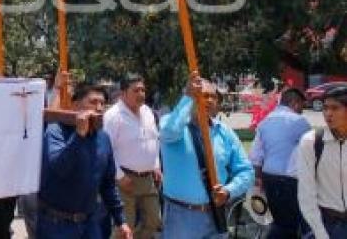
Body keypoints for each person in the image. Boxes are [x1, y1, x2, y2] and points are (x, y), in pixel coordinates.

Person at [160, 73, 253, 238]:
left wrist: (228, 191)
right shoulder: (170, 124)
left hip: (215, 215)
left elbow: (246, 171)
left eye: (212, 96)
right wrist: (188, 96)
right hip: (181, 216)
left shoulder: (224, 132)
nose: (209, 100)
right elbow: (170, 132)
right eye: (202, 95)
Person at [37, 81, 132, 239]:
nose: (99, 108)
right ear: (75, 106)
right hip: (56, 224)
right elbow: (60, 167)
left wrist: (120, 220)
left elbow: (108, 184)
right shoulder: (56, 132)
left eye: (102, 103)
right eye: (93, 102)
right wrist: (79, 136)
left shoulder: (103, 138)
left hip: (90, 223)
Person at [103, 73, 162, 239]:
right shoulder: (113, 116)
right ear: (123, 93)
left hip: (148, 179)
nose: (141, 94)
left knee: (154, 221)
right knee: (124, 228)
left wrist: (156, 164)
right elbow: (106, 150)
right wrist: (119, 177)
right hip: (124, 180)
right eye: (136, 90)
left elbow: (154, 140)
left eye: (143, 90)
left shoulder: (148, 111)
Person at [249, 88, 311, 238]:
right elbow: (312, 151)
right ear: (294, 103)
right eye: (302, 105)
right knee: (295, 225)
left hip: (268, 178)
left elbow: (256, 156)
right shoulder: (299, 121)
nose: (302, 110)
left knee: (280, 222)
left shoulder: (264, 122)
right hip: (290, 182)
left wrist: (259, 181)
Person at [297, 85, 347, 239]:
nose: (328, 113)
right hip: (327, 224)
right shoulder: (311, 142)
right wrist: (321, 234)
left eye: (335, 108)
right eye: (325, 108)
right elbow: (306, 194)